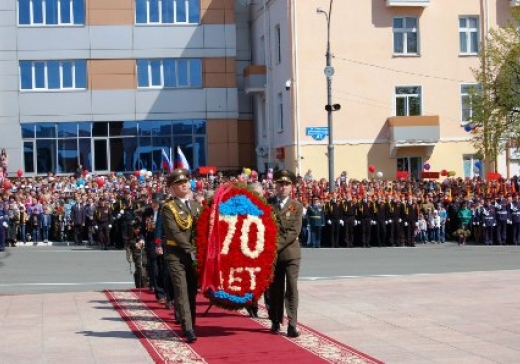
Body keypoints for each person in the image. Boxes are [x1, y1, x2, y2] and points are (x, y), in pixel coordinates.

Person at [162, 168, 201, 343]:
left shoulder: (196, 206)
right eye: (179, 183)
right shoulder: (168, 208)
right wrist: (192, 249)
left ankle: (191, 323)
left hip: (193, 255)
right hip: (176, 254)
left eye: (185, 181)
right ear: (171, 188)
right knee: (181, 290)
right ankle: (188, 328)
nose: (184, 184)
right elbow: (175, 233)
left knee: (192, 291)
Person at [268, 169, 303, 338]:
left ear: (291, 187)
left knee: (291, 287)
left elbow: (293, 231)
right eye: (280, 184)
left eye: (286, 184)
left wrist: (275, 244)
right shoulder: (268, 205)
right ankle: (275, 320)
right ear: (275, 186)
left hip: (290, 253)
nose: (283, 187)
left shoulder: (296, 206)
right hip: (273, 255)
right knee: (275, 288)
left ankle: (292, 323)